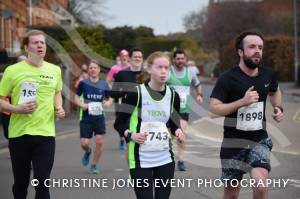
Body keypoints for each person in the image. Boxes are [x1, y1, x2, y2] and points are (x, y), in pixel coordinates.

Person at [209, 31, 284, 199]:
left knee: (260, 185)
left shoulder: (267, 74)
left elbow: (275, 91)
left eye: (260, 47)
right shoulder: (227, 78)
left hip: (259, 140)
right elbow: (214, 109)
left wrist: (278, 107)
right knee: (232, 195)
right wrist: (241, 102)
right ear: (240, 52)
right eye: (252, 47)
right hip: (232, 143)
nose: (257, 51)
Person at [0, 29, 65, 199]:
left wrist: (59, 108)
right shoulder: (13, 71)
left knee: (42, 183)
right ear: (27, 47)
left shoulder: (54, 70)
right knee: (21, 183)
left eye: (42, 42)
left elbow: (57, 92)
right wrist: (17, 109)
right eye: (35, 42)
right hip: (19, 134)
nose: (40, 45)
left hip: (46, 134)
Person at [115, 51, 185, 199]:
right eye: (159, 67)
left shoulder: (173, 96)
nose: (163, 71)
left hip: (165, 157)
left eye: (166, 68)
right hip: (140, 159)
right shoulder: (136, 93)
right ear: (149, 69)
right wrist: (131, 134)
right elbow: (119, 123)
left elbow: (173, 121)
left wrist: (178, 130)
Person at [167, 49, 203, 171]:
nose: (180, 61)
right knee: (168, 136)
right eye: (178, 59)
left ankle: (181, 160)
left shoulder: (190, 72)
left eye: (182, 58)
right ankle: (166, 158)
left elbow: (197, 85)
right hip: (168, 110)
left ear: (185, 59)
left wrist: (199, 95)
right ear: (174, 60)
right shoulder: (168, 72)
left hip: (183, 110)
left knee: (181, 136)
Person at [74, 60, 113, 174]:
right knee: (84, 143)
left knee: (100, 141)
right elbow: (76, 97)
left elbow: (110, 98)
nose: (93, 70)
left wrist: (108, 103)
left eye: (95, 68)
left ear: (99, 70)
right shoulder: (83, 83)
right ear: (89, 71)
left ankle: (94, 165)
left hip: (99, 117)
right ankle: (88, 151)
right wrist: (82, 105)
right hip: (86, 117)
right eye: (91, 68)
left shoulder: (104, 84)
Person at [111, 48, 144, 150]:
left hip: (143, 112)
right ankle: (132, 166)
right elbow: (113, 93)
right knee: (130, 144)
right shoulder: (122, 74)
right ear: (130, 58)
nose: (137, 59)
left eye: (140, 57)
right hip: (127, 112)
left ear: (142, 59)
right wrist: (125, 93)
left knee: (143, 143)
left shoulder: (147, 75)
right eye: (135, 56)